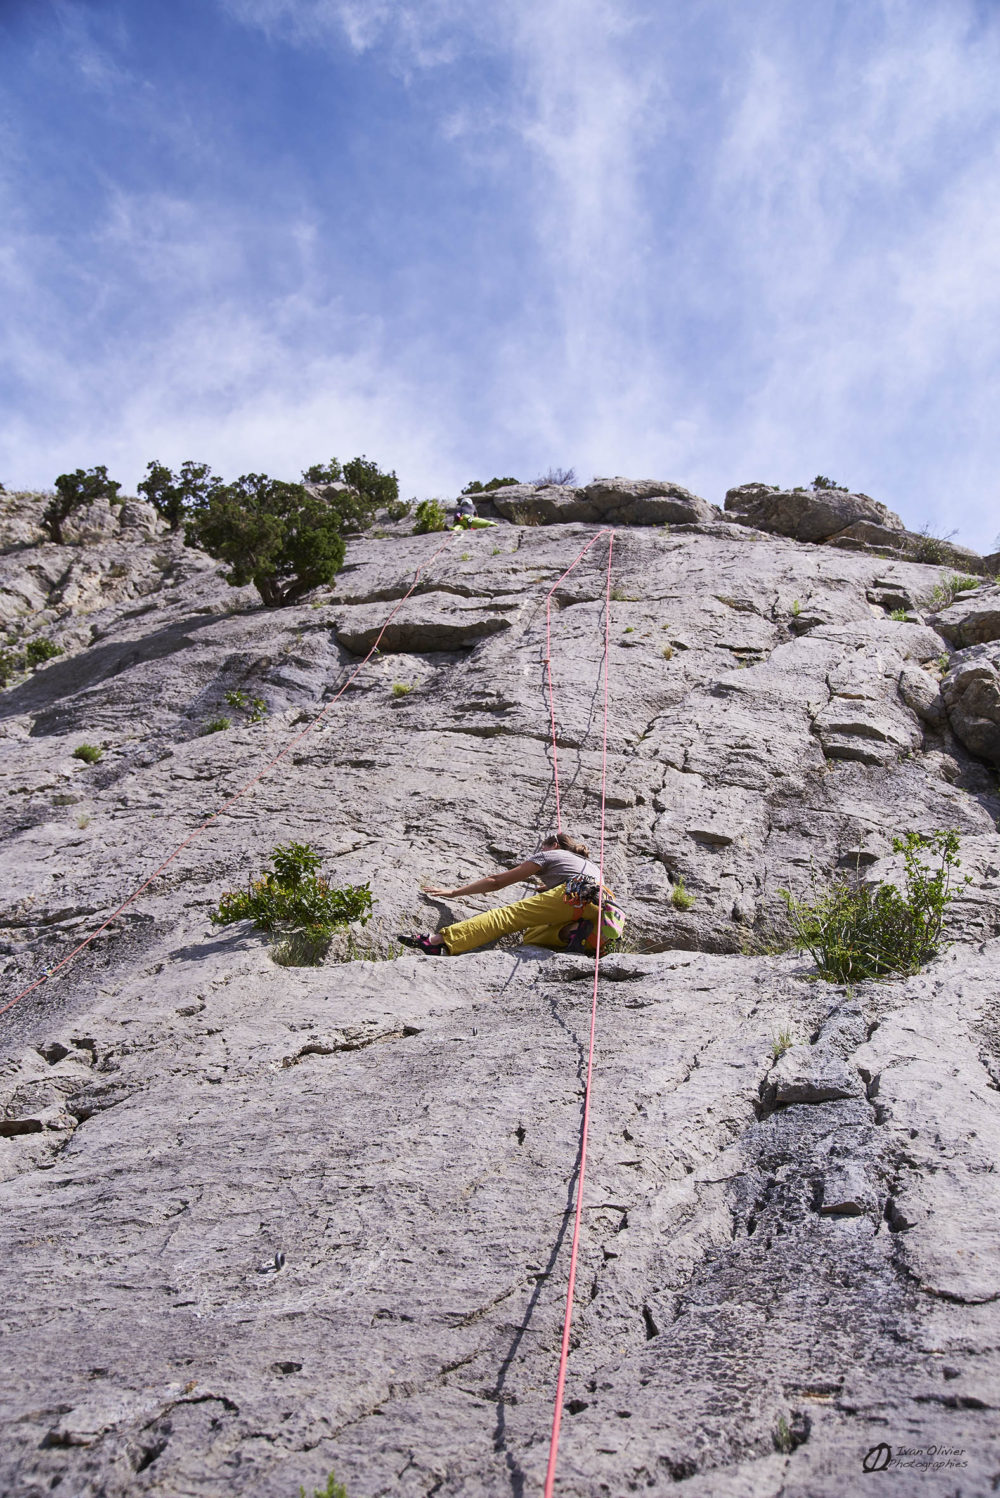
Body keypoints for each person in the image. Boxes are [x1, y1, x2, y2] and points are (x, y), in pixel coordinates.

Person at [400, 831, 624, 956]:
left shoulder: (549, 856)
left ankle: (437, 941)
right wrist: (549, 889)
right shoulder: (589, 864)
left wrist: (454, 892)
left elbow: (496, 882)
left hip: (574, 894)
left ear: (554, 845)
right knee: (531, 936)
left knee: (506, 918)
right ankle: (574, 931)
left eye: (543, 847)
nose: (540, 852)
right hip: (603, 904)